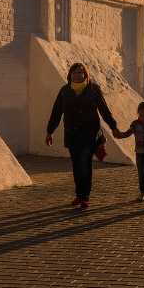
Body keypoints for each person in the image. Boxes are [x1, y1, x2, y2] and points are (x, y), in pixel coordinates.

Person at [46, 62, 121, 209]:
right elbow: (56, 113)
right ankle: (79, 195)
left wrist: (113, 126)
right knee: (76, 165)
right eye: (74, 73)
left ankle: (85, 197)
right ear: (70, 75)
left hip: (90, 134)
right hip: (72, 134)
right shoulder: (64, 91)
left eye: (80, 72)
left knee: (85, 164)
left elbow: (104, 110)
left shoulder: (93, 90)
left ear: (85, 75)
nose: (77, 75)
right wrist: (50, 132)